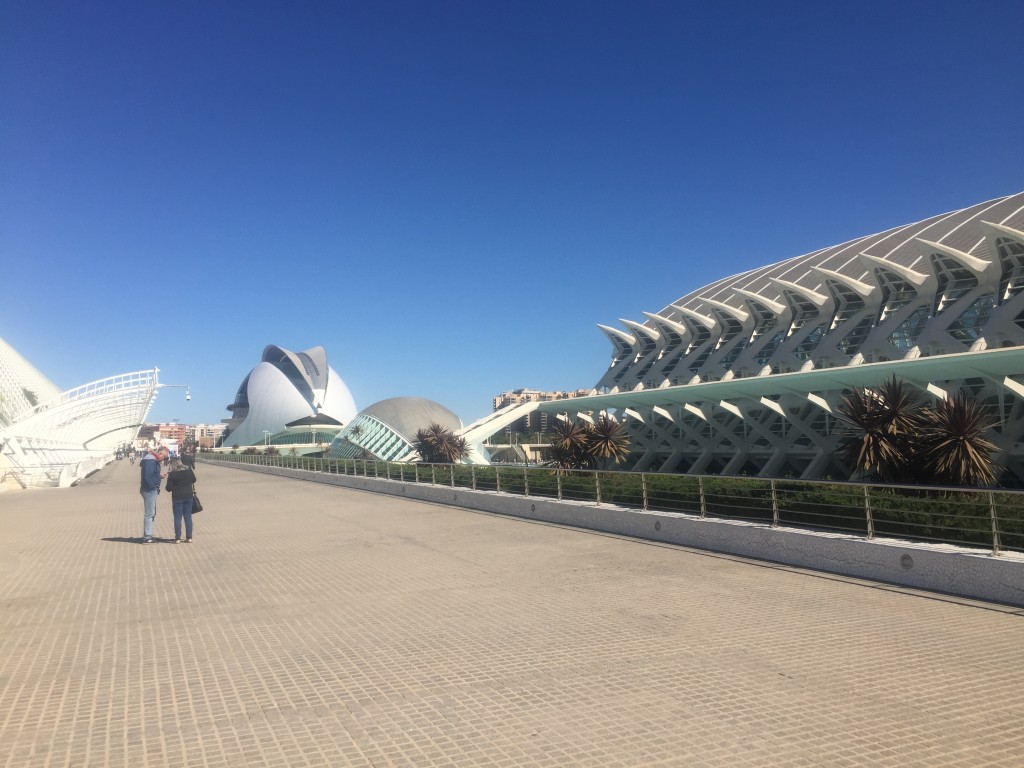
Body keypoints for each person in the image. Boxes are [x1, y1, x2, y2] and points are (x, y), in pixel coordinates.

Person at [139, 446, 170, 543]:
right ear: (160, 453)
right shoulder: (151, 461)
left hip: (149, 489)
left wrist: (158, 476)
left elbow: (150, 474)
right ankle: (147, 537)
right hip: (149, 490)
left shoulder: (150, 460)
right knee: (149, 513)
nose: (164, 460)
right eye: (164, 457)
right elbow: (147, 477)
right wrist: (154, 487)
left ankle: (149, 535)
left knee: (152, 513)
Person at [165, 457, 197, 543]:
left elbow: (168, 488)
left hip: (177, 497)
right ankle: (189, 537)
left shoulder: (172, 474)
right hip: (188, 496)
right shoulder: (189, 471)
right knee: (188, 517)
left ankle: (177, 538)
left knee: (177, 518)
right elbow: (194, 480)